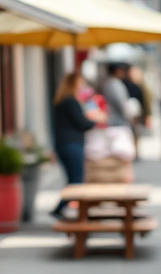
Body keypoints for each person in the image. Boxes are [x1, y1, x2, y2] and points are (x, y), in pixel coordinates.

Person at [51, 72, 105, 219]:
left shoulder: (63, 101)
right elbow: (81, 123)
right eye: (80, 83)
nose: (82, 86)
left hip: (66, 144)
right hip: (71, 145)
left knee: (73, 180)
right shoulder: (70, 101)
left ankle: (62, 208)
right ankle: (68, 210)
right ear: (74, 84)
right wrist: (96, 120)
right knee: (76, 180)